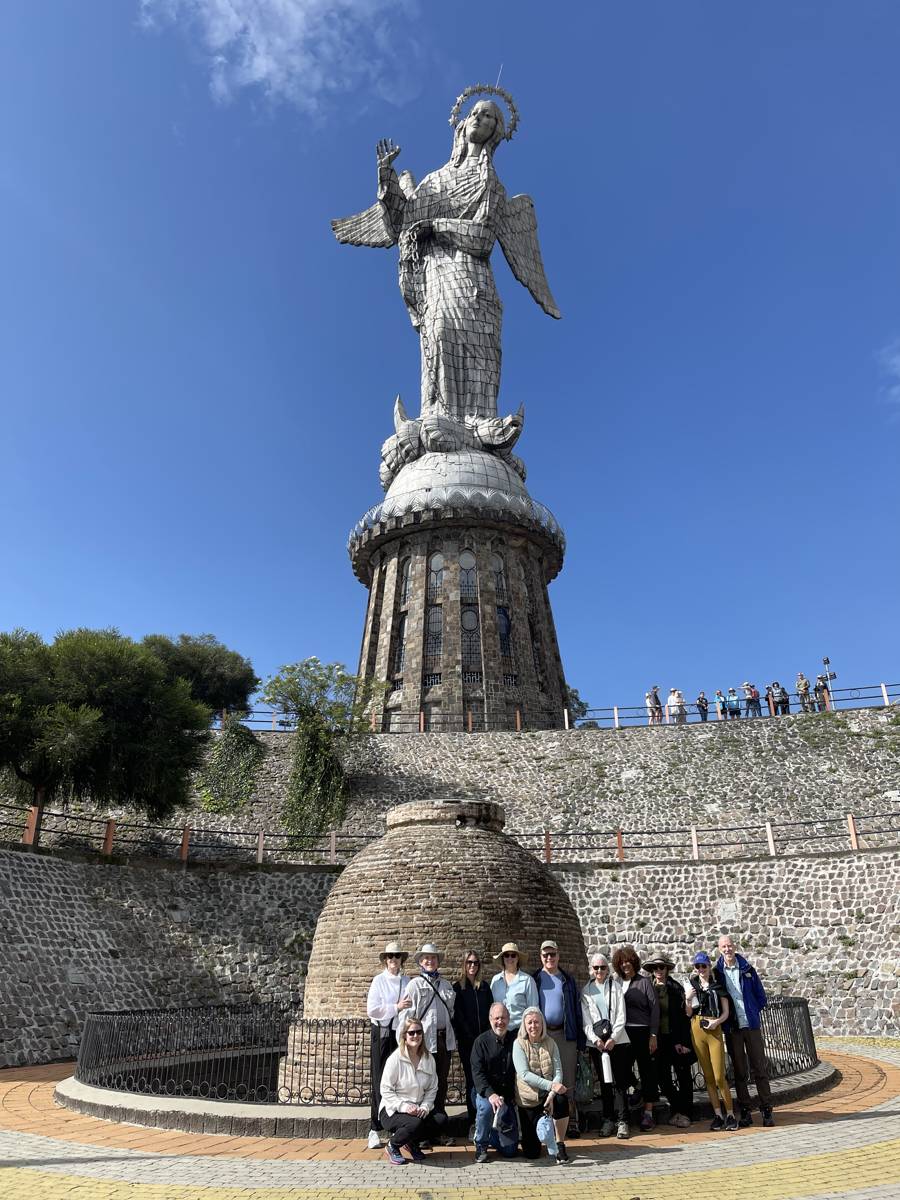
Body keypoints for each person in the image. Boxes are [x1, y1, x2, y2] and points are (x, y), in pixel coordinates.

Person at [332, 96, 559, 424]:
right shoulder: (435, 181)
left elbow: (482, 239)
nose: (480, 119)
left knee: (480, 348)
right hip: (437, 273)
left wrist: (436, 225)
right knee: (439, 333)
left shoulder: (491, 186)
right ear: (464, 123)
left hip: (473, 279)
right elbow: (403, 223)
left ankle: (480, 420)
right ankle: (438, 415)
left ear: (496, 132)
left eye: (489, 117)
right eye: (475, 113)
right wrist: (387, 179)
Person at [399, 942, 456, 1138]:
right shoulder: (414, 985)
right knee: (422, 1086)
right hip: (423, 1042)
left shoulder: (446, 985)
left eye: (433, 958)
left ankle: (438, 1128)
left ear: (437, 961)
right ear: (421, 963)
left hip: (443, 1040)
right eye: (426, 958)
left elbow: (451, 1012)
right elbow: (407, 1016)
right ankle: (422, 1132)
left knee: (440, 1084)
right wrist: (405, 1044)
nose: (430, 961)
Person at [716, 935, 774, 1127]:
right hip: (733, 1027)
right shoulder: (718, 972)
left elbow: (761, 996)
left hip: (751, 1025)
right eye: (724, 946)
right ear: (719, 949)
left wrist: (751, 1012)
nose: (727, 949)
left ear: (735, 947)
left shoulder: (748, 969)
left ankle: (766, 1109)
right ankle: (746, 1110)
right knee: (740, 1071)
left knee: (760, 1067)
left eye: (729, 945)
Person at [533, 939, 585, 1139]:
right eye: (545, 955)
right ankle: (547, 1121)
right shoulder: (535, 979)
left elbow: (576, 1010)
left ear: (558, 956)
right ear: (541, 957)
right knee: (545, 1077)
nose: (549, 958)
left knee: (568, 1078)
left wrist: (579, 1040)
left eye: (552, 954)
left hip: (565, 1033)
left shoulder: (567, 980)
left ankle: (571, 1120)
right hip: (544, 1035)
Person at [379, 1018, 447, 1164]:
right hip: (392, 1109)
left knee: (440, 1120)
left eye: (419, 1032)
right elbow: (385, 1089)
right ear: (404, 1035)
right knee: (414, 1124)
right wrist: (403, 1106)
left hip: (417, 1108)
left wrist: (425, 1107)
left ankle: (410, 1142)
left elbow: (432, 1088)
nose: (415, 1036)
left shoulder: (428, 1059)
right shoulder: (395, 1059)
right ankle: (393, 1146)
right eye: (411, 1033)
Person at [365, 941, 412, 1149]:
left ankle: (396, 1126)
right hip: (382, 1034)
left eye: (397, 956)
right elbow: (372, 1010)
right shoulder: (378, 981)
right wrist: (396, 1007)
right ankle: (374, 1128)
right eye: (390, 956)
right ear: (385, 960)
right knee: (379, 1080)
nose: (393, 960)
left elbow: (410, 1007)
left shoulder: (407, 981)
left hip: (399, 1034)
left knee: (399, 1081)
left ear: (401, 959)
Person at [581, 952, 631, 1139]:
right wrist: (596, 1040)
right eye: (596, 968)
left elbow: (621, 1015)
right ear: (591, 970)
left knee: (620, 1083)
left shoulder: (615, 987)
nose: (599, 971)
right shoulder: (586, 991)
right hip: (597, 1044)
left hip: (617, 1041)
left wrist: (613, 1038)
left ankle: (623, 1120)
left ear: (607, 969)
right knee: (604, 1083)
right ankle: (608, 1119)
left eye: (602, 967)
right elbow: (586, 1019)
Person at [513, 1006, 571, 1164]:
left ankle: (559, 1145)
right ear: (524, 1025)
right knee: (531, 1152)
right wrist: (551, 1086)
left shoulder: (550, 1042)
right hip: (529, 1098)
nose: (533, 1026)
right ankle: (543, 1134)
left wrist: (553, 1092)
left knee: (561, 1100)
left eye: (537, 1022)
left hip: (548, 1095)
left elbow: (558, 1070)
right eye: (530, 1022)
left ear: (542, 1024)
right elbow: (524, 1074)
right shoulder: (518, 1044)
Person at [642, 952, 695, 1128]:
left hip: (675, 1039)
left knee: (683, 1075)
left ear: (667, 969)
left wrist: (684, 1042)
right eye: (655, 967)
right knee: (662, 1078)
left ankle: (685, 1112)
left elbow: (684, 1017)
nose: (658, 970)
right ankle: (678, 1110)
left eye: (662, 967)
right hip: (658, 1039)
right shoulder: (648, 987)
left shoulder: (675, 988)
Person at [685, 951, 736, 1130]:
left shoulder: (717, 986)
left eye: (703, 966)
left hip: (713, 1028)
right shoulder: (692, 985)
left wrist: (717, 1022)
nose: (700, 970)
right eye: (697, 967)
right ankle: (718, 1115)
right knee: (707, 1077)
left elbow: (726, 1012)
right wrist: (688, 999)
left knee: (719, 1076)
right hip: (697, 1027)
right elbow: (688, 1013)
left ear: (709, 966)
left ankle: (730, 1113)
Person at [611, 944, 659, 1131]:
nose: (626, 965)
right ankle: (637, 1087)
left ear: (634, 963)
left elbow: (654, 1008)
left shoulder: (644, 982)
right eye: (622, 962)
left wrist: (653, 1034)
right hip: (622, 1032)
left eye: (629, 962)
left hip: (642, 1031)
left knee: (647, 1070)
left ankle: (648, 1113)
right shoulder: (615, 982)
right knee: (622, 1070)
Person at [470, 1002, 519, 1163]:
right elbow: (478, 1074)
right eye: (497, 1018)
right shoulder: (480, 1042)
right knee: (485, 1107)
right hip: (485, 1093)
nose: (500, 1022)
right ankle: (481, 1145)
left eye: (504, 1018)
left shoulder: (515, 1040)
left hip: (506, 1098)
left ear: (509, 1018)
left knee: (510, 1151)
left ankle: (491, 1134)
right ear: (490, 1019)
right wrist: (491, 1094)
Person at [453, 948, 493, 1128]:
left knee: (485, 1077)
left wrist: (485, 1037)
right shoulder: (458, 988)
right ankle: (473, 1119)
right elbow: (458, 1017)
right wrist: (470, 1037)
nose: (472, 966)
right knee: (471, 1079)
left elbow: (490, 1013)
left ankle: (485, 1118)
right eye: (469, 962)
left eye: (475, 963)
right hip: (468, 1042)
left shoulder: (484, 987)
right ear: (464, 964)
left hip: (484, 1041)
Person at [490, 942, 538, 1032]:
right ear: (503, 958)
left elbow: (533, 1009)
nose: (510, 958)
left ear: (518, 958)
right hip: (499, 1031)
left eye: (513, 955)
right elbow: (492, 1007)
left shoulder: (527, 980)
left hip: (520, 1031)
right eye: (507, 955)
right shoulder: (495, 981)